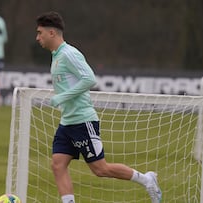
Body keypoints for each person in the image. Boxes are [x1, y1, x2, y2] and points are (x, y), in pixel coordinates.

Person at [35, 11, 162, 203]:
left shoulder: (69, 53)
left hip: (83, 120)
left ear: (52, 33)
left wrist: (62, 97)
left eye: (40, 33)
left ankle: (147, 180)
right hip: (67, 121)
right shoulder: (56, 55)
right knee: (58, 165)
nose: (37, 38)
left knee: (100, 169)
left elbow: (90, 78)